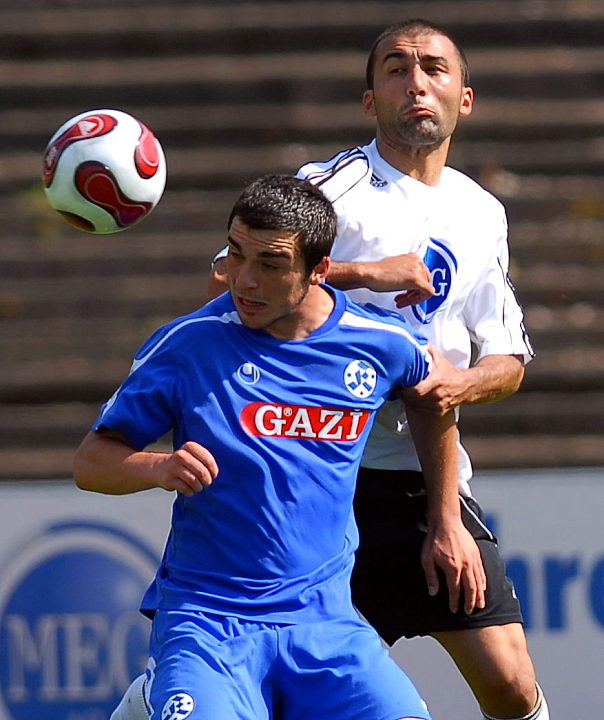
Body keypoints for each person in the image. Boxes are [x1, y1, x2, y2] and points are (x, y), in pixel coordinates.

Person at [209, 18, 547, 720]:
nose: (415, 82)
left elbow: (509, 358)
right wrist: (365, 270)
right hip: (319, 480)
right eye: (395, 69)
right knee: (289, 697)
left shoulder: (482, 213)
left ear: (465, 98)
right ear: (370, 101)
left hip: (428, 481)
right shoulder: (328, 189)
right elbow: (228, 283)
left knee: (512, 685)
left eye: (432, 68)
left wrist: (461, 383)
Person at [74, 174, 484, 720]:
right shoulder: (188, 344)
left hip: (327, 623)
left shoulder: (380, 341)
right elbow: (90, 462)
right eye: (236, 255)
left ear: (318, 272)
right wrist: (159, 465)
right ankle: (158, 691)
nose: (244, 280)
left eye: (270, 264)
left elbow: (434, 398)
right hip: (209, 622)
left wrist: (446, 519)